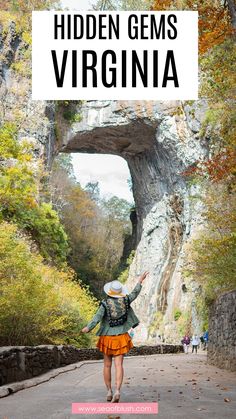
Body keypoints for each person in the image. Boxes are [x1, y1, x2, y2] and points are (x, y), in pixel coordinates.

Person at [81, 271, 149, 403]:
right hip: (121, 338)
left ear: (110, 292)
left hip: (107, 338)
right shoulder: (126, 300)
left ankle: (109, 391)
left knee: (107, 366)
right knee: (119, 365)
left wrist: (88, 327)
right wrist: (140, 280)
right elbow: (135, 293)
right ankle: (117, 390)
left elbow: (97, 317)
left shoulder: (105, 304)